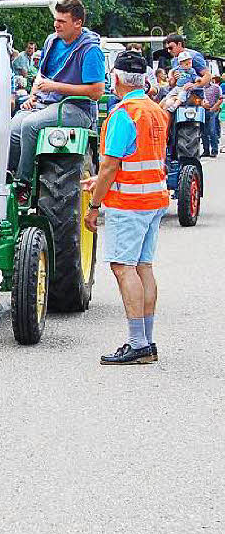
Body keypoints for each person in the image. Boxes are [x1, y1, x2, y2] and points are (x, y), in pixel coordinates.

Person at [84, 50, 170, 365]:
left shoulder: (123, 113)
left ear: (115, 78)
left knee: (123, 267)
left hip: (129, 202)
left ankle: (137, 344)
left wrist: (94, 205)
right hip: (154, 198)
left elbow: (111, 166)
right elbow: (138, 158)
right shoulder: (155, 110)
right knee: (143, 266)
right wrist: (101, 178)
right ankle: (147, 341)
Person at [8, 0, 105, 185]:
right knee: (12, 128)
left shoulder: (90, 50)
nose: (56, 25)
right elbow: (41, 76)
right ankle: (7, 177)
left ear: (78, 23)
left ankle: (23, 183)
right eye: (56, 19)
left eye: (62, 21)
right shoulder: (52, 41)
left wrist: (55, 87)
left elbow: (96, 92)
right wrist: (32, 95)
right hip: (44, 102)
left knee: (30, 125)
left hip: (75, 108)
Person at [201, 75, 222, 157]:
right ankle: (206, 150)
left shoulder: (216, 87)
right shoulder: (200, 88)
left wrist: (214, 107)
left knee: (212, 130)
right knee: (203, 132)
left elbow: (220, 99)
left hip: (213, 111)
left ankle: (214, 150)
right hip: (202, 111)